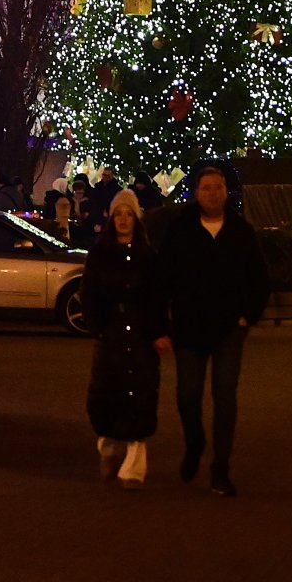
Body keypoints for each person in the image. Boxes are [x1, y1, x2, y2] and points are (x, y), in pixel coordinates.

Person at [152, 162, 269, 497]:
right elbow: (163, 280)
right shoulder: (181, 230)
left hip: (229, 329)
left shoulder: (240, 232)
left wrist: (248, 315)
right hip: (189, 328)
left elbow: (259, 278)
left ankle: (221, 469)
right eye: (206, 188)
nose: (213, 193)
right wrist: (161, 325)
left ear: (225, 192)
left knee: (225, 398)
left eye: (218, 187)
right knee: (188, 395)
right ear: (196, 192)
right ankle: (194, 443)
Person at [84, 190, 161, 487]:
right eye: (119, 214)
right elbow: (89, 293)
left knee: (139, 395)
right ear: (112, 217)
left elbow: (157, 297)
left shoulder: (148, 256)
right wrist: (97, 325)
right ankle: (108, 447)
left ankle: (134, 468)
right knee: (108, 394)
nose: (124, 220)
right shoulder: (100, 254)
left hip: (141, 336)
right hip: (111, 335)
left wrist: (158, 332)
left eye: (129, 214)